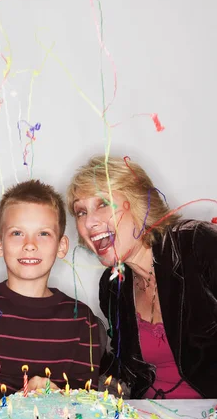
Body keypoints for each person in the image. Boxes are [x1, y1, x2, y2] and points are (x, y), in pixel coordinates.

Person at [0, 179, 102, 413]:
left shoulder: (81, 319)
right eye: (17, 233)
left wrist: (57, 394)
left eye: (43, 234)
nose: (29, 245)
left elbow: (86, 398)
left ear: (61, 246)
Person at [67, 154, 217, 399]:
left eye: (103, 204)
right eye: (80, 212)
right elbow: (125, 376)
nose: (89, 222)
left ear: (138, 202)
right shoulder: (113, 285)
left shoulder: (199, 245)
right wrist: (67, 390)